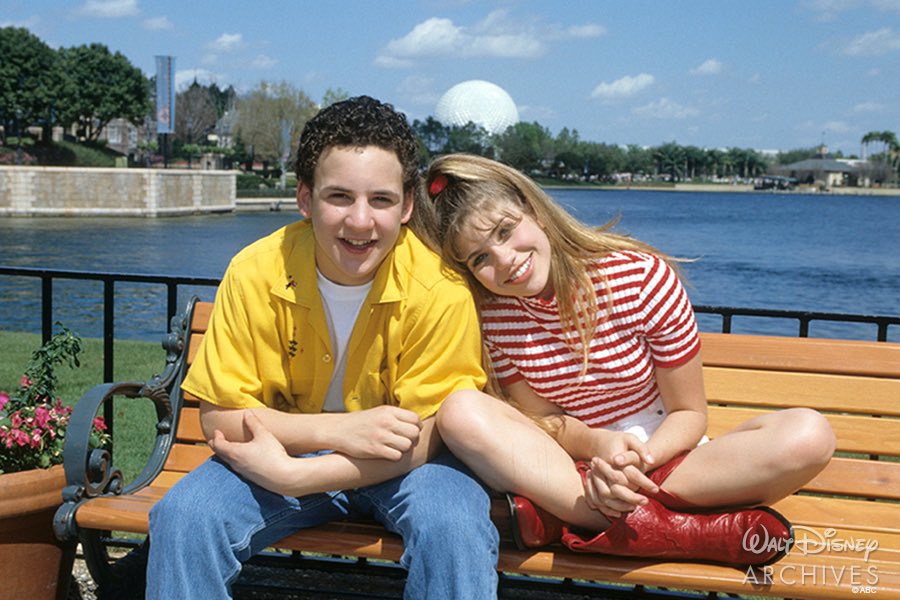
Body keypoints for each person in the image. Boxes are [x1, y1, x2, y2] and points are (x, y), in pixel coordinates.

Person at [146, 98, 499, 599]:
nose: (360, 221)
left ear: (408, 206)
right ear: (305, 200)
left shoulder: (440, 288)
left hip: (409, 469)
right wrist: (339, 431)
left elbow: (425, 440)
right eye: (339, 197)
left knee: (454, 526)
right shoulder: (255, 270)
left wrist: (298, 475)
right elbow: (220, 419)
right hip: (281, 455)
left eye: (381, 199)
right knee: (184, 517)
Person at [424, 153, 836, 566]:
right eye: (480, 258)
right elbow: (544, 421)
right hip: (570, 467)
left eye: (506, 231)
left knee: (809, 434)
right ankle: (668, 528)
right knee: (461, 411)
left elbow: (689, 414)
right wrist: (597, 444)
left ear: (536, 212)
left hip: (667, 457)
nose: (505, 259)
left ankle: (572, 519)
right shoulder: (495, 317)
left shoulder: (641, 279)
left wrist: (640, 461)